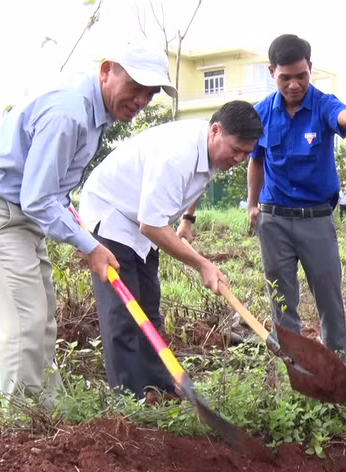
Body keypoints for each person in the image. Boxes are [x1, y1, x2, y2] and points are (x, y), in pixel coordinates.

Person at [0, 44, 175, 409]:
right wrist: (90, 246)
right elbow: (37, 198)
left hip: (22, 215)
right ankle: (22, 421)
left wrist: (84, 234)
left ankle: (49, 408)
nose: (141, 100)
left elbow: (54, 193)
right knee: (24, 321)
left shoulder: (94, 113)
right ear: (106, 71)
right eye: (136, 86)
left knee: (42, 318)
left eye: (150, 94)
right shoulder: (70, 112)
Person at [78, 101, 262, 401]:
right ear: (216, 131)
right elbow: (151, 226)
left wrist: (187, 219)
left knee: (149, 304)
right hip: (112, 214)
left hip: (142, 217)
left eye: (246, 153)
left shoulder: (211, 149)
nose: (240, 159)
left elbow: (196, 183)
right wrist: (202, 264)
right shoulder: (177, 155)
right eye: (236, 150)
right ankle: (129, 398)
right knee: (123, 311)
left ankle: (159, 384)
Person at [246, 34, 346, 362]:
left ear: (310, 69)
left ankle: (336, 361)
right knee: (281, 298)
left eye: (301, 76)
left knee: (328, 294)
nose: (294, 85)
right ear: (272, 72)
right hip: (273, 220)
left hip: (315, 219)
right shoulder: (261, 114)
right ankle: (293, 363)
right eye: (285, 78)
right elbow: (256, 161)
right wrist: (251, 204)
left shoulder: (322, 104)